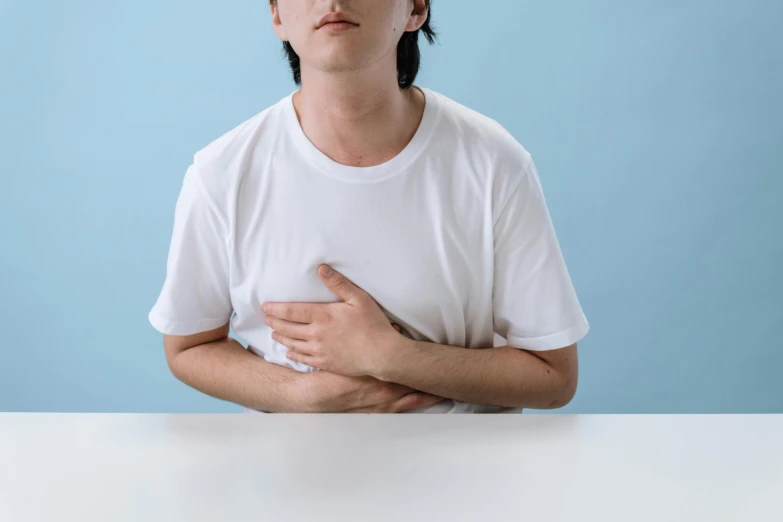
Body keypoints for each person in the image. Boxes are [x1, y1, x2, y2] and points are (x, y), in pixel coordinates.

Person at [149, 0, 590, 414]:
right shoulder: (222, 172)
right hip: (288, 480)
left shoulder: (494, 161)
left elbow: (553, 375)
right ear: (277, 16)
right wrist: (303, 396)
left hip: (461, 480)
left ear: (416, 8)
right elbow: (188, 346)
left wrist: (392, 356)